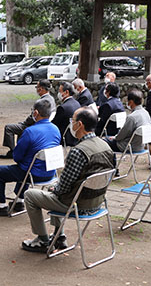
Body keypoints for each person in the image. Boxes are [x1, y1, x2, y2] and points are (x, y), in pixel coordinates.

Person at [21, 107, 114, 253]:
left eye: (73, 120)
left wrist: (55, 188)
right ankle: (60, 236)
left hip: (77, 205)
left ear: (80, 124)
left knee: (30, 195)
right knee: (57, 189)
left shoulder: (78, 151)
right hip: (98, 202)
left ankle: (42, 239)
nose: (71, 123)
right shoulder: (106, 147)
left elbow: (62, 189)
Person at [0, 99, 61, 216]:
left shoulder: (30, 131)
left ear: (35, 113)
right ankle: (19, 201)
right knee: (27, 165)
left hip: (32, 174)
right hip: (50, 172)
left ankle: (1, 206)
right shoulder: (56, 129)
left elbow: (16, 156)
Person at [0, 79, 56, 159]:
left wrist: (24, 123)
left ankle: (13, 151)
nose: (37, 89)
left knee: (9, 128)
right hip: (45, 123)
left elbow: (33, 117)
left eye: (37, 87)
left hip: (34, 125)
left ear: (41, 89)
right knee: (19, 127)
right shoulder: (52, 99)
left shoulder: (41, 101)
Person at [105, 89, 151, 154]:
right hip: (141, 146)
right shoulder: (146, 113)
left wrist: (115, 137)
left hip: (128, 146)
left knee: (103, 141)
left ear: (131, 102)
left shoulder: (132, 117)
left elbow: (121, 136)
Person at [51, 81, 81, 146]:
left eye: (60, 91)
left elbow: (54, 124)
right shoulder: (77, 103)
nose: (58, 93)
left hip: (64, 137)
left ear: (66, 92)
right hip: (75, 135)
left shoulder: (62, 108)